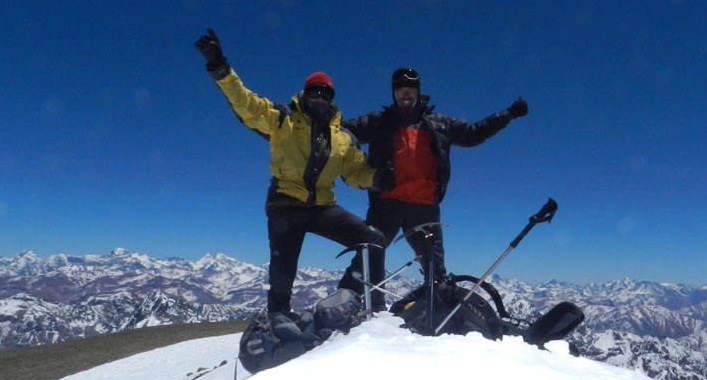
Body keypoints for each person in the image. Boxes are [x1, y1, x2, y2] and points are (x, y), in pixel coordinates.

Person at [194, 29, 393, 313]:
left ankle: (347, 303)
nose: (320, 98)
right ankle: (278, 325)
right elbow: (246, 104)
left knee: (373, 239)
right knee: (282, 275)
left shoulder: (342, 136)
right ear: (305, 94)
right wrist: (219, 67)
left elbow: (354, 171)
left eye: (326, 93)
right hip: (286, 204)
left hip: (322, 206)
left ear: (332, 99)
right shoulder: (283, 119)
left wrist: (377, 178)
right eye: (314, 91)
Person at [343, 67, 528, 295]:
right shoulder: (378, 122)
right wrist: (361, 166)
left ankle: (437, 312)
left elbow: (473, 134)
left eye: (410, 89)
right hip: (387, 201)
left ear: (419, 92)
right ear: (393, 94)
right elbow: (341, 132)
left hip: (424, 205)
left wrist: (507, 115)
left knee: (434, 267)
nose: (405, 94)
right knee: (368, 254)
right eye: (400, 90)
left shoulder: (439, 123)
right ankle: (344, 304)